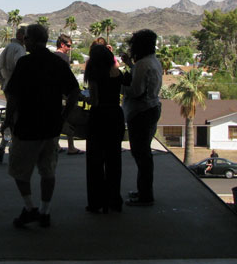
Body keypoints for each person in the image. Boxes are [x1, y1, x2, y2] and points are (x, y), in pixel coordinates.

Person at [4, 24, 80, 228]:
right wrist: (63, 116)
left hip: (27, 127)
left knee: (19, 171)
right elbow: (74, 92)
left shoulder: (25, 63)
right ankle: (45, 211)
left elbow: (13, 96)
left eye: (26, 38)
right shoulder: (58, 63)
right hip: (51, 127)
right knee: (48, 171)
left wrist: (8, 120)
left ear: (31, 40)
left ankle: (30, 209)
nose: (24, 41)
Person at [120, 29, 162, 207]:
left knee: (141, 155)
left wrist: (120, 85)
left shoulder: (144, 64)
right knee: (144, 154)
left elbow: (136, 91)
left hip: (141, 113)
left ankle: (145, 195)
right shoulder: (153, 61)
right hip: (151, 109)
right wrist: (130, 65)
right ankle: (144, 191)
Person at [84, 44, 125, 213]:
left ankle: (96, 202)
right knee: (114, 159)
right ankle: (114, 200)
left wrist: (84, 98)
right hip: (115, 115)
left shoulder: (94, 75)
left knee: (95, 161)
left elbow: (94, 100)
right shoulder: (117, 74)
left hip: (98, 116)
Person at [0, 26, 26, 163]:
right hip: (17, 88)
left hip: (8, 85)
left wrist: (2, 81)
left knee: (11, 117)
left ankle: (2, 146)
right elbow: (22, 67)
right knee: (17, 119)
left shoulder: (6, 48)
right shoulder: (19, 49)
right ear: (21, 36)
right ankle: (13, 149)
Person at [54, 33, 83, 155]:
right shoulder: (64, 58)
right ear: (62, 44)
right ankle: (71, 146)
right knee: (67, 119)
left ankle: (56, 145)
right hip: (64, 94)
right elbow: (67, 79)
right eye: (68, 45)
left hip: (54, 94)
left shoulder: (52, 57)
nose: (69, 48)